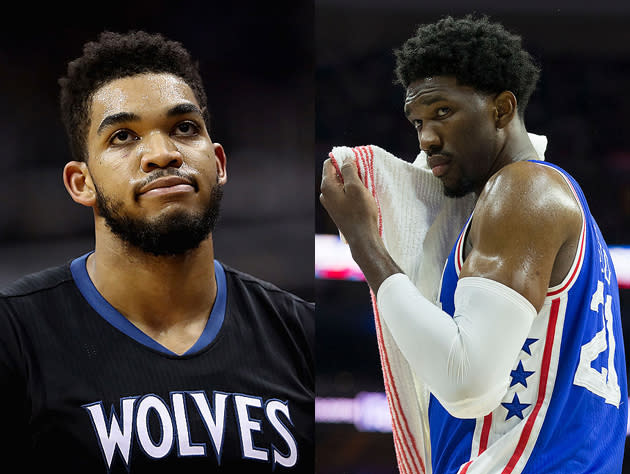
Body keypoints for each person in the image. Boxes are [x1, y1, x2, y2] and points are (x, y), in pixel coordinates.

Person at [320, 14, 627, 474]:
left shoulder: (522, 191)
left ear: (502, 109)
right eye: (417, 120)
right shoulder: (552, 198)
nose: (427, 138)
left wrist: (366, 246)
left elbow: (468, 385)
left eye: (443, 112)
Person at [0, 30, 314, 473]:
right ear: (81, 182)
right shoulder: (16, 337)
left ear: (219, 164)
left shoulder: (300, 333)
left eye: (184, 128)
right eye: (124, 136)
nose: (162, 154)